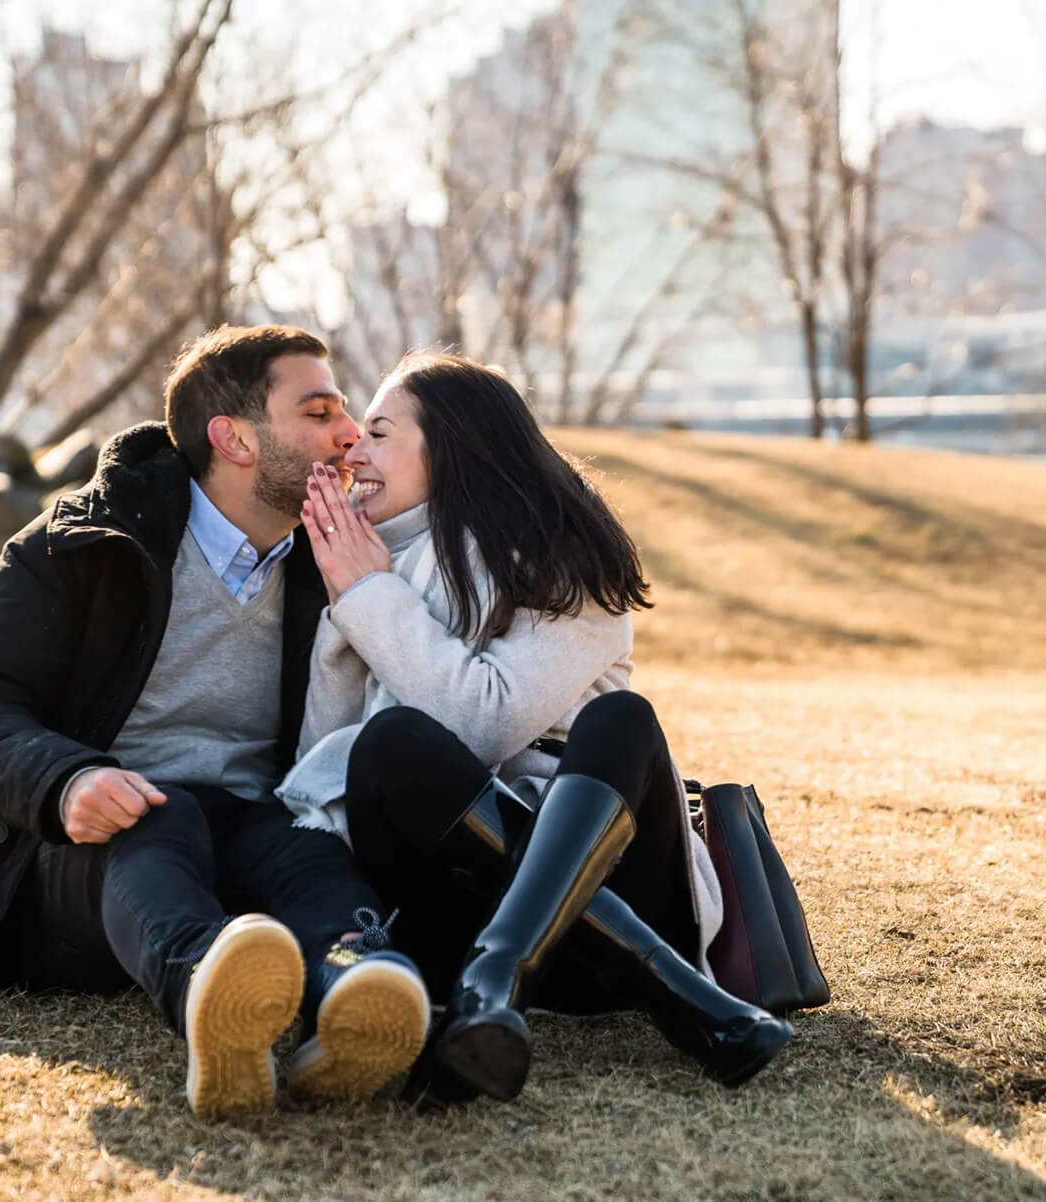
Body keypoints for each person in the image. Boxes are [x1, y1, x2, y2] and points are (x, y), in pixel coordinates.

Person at [0, 325, 430, 1117]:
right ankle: (210, 996)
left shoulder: (333, 561)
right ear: (235, 439)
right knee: (164, 812)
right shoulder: (79, 545)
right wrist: (65, 780)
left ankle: (355, 987)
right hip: (74, 858)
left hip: (247, 834)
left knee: (309, 852)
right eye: (319, 413)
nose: (350, 434)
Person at [275, 350, 794, 1105]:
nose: (353, 446)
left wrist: (372, 596)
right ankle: (626, 990)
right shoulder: (368, 565)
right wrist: (354, 600)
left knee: (622, 720)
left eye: (380, 432)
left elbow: (483, 723)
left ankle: (499, 972)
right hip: (452, 904)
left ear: (452, 447)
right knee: (388, 744)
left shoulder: (565, 564)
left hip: (617, 888)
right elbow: (325, 761)